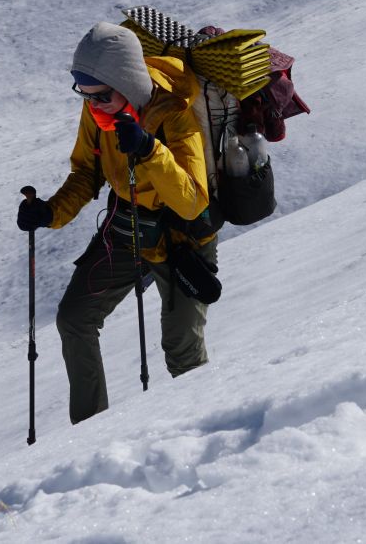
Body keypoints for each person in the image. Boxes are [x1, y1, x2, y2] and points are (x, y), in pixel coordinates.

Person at [16, 21, 220, 424]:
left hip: (183, 240)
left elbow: (192, 202)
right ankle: (90, 435)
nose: (93, 106)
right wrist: (50, 212)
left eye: (102, 96)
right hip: (127, 229)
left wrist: (149, 149)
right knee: (74, 320)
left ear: (126, 82)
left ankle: (202, 432)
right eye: (85, 95)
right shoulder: (99, 111)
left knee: (181, 346)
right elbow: (85, 174)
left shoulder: (176, 114)